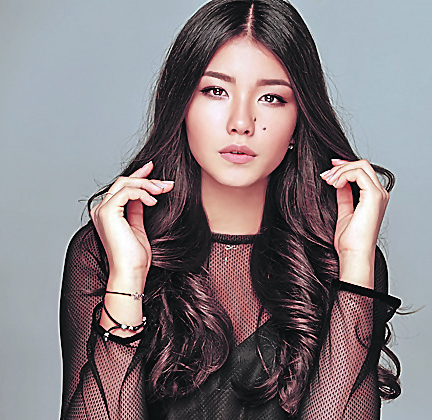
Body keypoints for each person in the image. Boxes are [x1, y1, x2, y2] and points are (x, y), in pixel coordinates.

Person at [60, 0, 402, 418]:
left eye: (271, 97)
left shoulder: (340, 261)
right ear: (182, 104)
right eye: (216, 91)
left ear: (299, 120)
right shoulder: (103, 252)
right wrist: (128, 277)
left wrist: (355, 263)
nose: (241, 122)